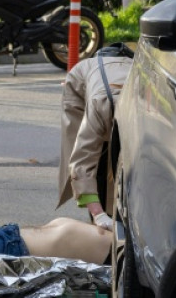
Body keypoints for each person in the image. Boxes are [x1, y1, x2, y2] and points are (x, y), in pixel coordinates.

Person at [57, 45, 134, 231]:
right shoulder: (102, 106)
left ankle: (118, 215)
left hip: (122, 98)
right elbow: (81, 163)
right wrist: (99, 215)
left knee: (126, 158)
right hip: (83, 90)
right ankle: (99, 219)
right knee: (92, 154)